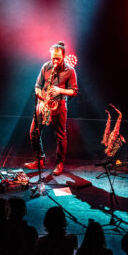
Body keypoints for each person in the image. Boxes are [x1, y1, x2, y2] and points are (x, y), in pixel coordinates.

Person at [25, 41, 78, 176]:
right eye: (53, 58)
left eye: (58, 59)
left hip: (59, 106)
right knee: (33, 133)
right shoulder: (46, 67)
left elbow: (74, 91)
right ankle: (40, 159)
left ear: (64, 56)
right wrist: (41, 100)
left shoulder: (70, 70)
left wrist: (60, 90)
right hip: (44, 104)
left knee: (60, 136)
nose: (55, 61)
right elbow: (37, 86)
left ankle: (59, 163)